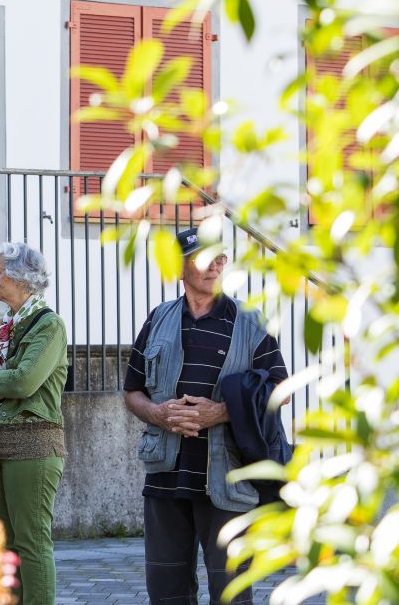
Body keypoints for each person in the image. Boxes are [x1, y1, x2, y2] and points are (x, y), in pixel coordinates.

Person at [122, 228, 288, 605]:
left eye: (220, 257)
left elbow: (281, 389)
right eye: (202, 258)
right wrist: (158, 413)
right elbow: (132, 391)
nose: (214, 265)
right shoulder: (158, 318)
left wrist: (222, 411)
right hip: (165, 477)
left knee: (231, 592)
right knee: (166, 594)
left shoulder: (250, 321)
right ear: (179, 268)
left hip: (227, 479)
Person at [0, 242, 68, 605]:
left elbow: (26, 382)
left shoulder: (49, 326)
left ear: (22, 278)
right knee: (2, 544)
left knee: (31, 541)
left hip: (34, 445)